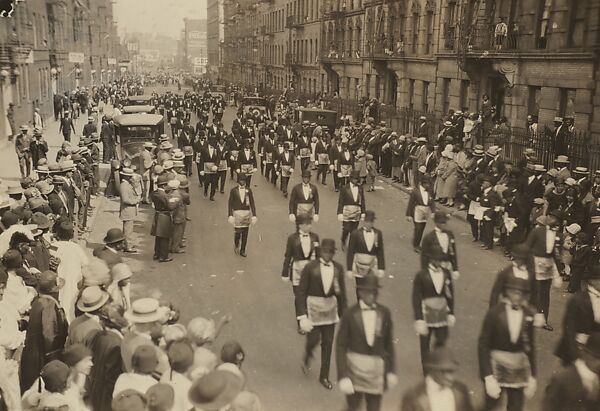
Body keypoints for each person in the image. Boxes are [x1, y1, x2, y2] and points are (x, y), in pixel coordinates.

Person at [336, 274, 396, 411]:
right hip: (354, 371)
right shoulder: (349, 314)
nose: (372, 295)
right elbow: (340, 346)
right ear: (360, 292)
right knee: (353, 407)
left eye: (375, 291)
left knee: (374, 408)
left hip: (376, 371)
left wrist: (391, 371)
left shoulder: (384, 312)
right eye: (368, 291)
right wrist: (343, 375)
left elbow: (389, 344)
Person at [478, 276, 537, 411]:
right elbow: (483, 345)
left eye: (521, 292)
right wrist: (487, 376)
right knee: (491, 405)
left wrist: (533, 376)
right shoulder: (494, 313)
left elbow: (530, 347)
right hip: (496, 367)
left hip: (518, 368)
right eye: (513, 291)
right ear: (506, 292)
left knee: (516, 406)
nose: (517, 296)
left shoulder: (528, 315)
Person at [296, 238, 347, 390]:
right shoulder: (310, 268)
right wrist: (302, 315)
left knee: (328, 343)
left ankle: (324, 376)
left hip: (330, 310)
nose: (327, 255)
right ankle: (307, 355)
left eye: (330, 252)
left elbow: (341, 293)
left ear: (333, 253)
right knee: (313, 340)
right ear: (320, 252)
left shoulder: (338, 268)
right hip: (314, 309)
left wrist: (345, 314)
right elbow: (301, 292)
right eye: (325, 252)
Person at [20, 270, 69, 393]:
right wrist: (55, 360)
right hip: (42, 356)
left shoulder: (37, 301)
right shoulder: (48, 305)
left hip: (31, 354)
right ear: (54, 290)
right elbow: (50, 336)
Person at [412, 248, 456, 372]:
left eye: (440, 260)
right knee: (425, 343)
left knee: (442, 340)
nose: (438, 262)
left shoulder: (446, 273)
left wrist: (451, 312)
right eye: (435, 260)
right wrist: (419, 318)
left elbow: (450, 294)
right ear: (430, 260)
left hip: (442, 312)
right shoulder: (421, 275)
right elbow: (416, 297)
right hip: (427, 312)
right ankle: (427, 370)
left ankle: (437, 364)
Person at [400, 348, 474, 411]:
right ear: (432, 371)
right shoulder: (413, 396)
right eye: (444, 372)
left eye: (451, 372)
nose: (451, 377)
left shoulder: (461, 390)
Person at [523, 214, 563, 331]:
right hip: (535, 264)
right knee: (533, 292)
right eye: (552, 219)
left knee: (545, 294)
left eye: (557, 222)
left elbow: (557, 256)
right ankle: (528, 318)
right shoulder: (537, 232)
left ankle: (543, 320)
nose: (554, 223)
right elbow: (527, 247)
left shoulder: (559, 236)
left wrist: (558, 273)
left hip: (548, 266)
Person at [282, 213, 320, 333]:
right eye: (307, 224)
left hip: (311, 271)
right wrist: (285, 273)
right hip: (297, 271)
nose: (310, 226)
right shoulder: (292, 238)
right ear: (300, 225)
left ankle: (309, 318)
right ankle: (301, 323)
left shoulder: (315, 237)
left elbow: (318, 256)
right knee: (299, 297)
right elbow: (288, 256)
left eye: (310, 223)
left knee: (310, 296)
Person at [544, 331, 600, 411]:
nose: (599, 363)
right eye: (596, 358)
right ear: (584, 353)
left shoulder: (596, 380)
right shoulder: (563, 379)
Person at [555, 266, 600, 365]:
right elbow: (569, 329)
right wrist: (575, 356)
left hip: (594, 349)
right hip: (577, 347)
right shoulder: (578, 300)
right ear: (592, 281)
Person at [346, 210, 385, 296]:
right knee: (360, 287)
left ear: (373, 222)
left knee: (371, 286)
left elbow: (380, 251)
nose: (368, 224)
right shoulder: (355, 234)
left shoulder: (378, 233)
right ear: (363, 221)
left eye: (371, 222)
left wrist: (381, 268)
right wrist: (349, 268)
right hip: (359, 264)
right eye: (367, 221)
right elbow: (350, 252)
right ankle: (360, 304)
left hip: (372, 264)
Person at [420, 211, 459, 279]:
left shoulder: (450, 234)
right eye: (441, 222)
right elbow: (424, 256)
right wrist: (425, 272)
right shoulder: (429, 237)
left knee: (447, 287)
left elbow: (453, 252)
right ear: (436, 222)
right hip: (433, 268)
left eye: (444, 222)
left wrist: (455, 269)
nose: (443, 225)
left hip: (446, 267)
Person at [151, 175, 179, 263]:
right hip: (164, 216)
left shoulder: (155, 193)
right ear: (163, 186)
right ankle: (163, 256)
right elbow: (170, 207)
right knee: (165, 237)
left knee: (158, 236)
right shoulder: (163, 195)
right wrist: (175, 202)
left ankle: (157, 253)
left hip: (157, 214)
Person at [227, 173, 257, 257]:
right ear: (238, 181)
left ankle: (242, 250)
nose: (242, 182)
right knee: (238, 232)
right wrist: (230, 214)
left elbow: (252, 203)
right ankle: (236, 244)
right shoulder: (233, 190)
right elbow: (230, 203)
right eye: (241, 180)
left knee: (245, 233)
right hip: (237, 213)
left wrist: (254, 215)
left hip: (246, 213)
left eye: (244, 180)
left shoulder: (249, 190)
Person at [338, 170, 366, 251]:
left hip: (357, 211)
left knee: (354, 230)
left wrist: (363, 212)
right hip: (346, 211)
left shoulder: (360, 188)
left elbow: (362, 201)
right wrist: (339, 213)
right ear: (350, 179)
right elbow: (341, 201)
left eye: (357, 179)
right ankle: (343, 240)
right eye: (354, 179)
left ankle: (352, 245)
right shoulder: (344, 188)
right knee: (346, 229)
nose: (355, 180)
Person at [406, 175, 435, 253]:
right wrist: (408, 214)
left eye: (429, 184)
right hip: (417, 211)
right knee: (418, 228)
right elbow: (411, 203)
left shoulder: (430, 191)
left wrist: (433, 212)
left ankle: (417, 241)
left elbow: (432, 202)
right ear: (422, 183)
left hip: (425, 211)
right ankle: (416, 245)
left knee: (421, 229)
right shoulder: (415, 191)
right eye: (426, 184)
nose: (428, 185)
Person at [119, 168, 141, 253]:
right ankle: (127, 246)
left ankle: (127, 244)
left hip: (129, 211)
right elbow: (125, 199)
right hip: (127, 210)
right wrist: (135, 201)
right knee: (128, 230)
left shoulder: (127, 184)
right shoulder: (124, 186)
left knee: (128, 229)